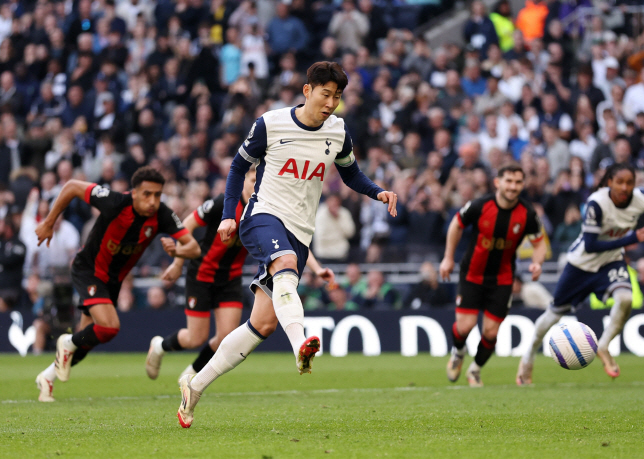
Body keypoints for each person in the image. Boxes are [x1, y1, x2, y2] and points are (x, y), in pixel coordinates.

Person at [176, 61, 398, 428]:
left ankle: (194, 387)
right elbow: (236, 168)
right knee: (284, 265)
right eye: (325, 94)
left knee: (262, 324)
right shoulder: (270, 123)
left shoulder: (338, 131)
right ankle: (301, 346)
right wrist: (230, 213)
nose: (331, 103)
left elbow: (351, 173)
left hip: (300, 230)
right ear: (308, 90)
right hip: (262, 215)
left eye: (338, 97)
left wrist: (378, 192)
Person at [145, 171, 335, 381]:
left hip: (230, 279)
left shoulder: (267, 209)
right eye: (253, 180)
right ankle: (159, 346)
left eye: (261, 180)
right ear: (243, 181)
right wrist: (177, 262)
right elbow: (188, 223)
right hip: (202, 274)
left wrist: (317, 269)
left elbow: (291, 244)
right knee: (195, 337)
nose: (257, 184)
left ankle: (191, 375)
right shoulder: (224, 204)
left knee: (226, 336)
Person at [34, 166, 201, 402]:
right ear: (134, 193)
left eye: (157, 195)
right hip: (89, 270)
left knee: (86, 340)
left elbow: (193, 247)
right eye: (147, 194)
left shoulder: (162, 215)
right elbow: (71, 186)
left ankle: (47, 377)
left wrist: (178, 251)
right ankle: (66, 341)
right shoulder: (114, 202)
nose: (152, 201)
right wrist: (50, 222)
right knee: (109, 327)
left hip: (113, 281)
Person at [517, 163, 644, 385]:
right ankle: (528, 357)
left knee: (625, 298)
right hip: (581, 265)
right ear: (609, 182)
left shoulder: (642, 199)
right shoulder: (596, 204)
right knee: (553, 314)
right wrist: (631, 239)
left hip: (610, 262)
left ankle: (604, 346)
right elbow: (590, 245)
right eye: (619, 182)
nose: (625, 187)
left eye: (629, 183)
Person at [440, 163, 546, 387]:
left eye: (518, 182)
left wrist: (537, 263)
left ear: (523, 185)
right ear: (498, 183)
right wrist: (448, 257)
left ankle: (475, 370)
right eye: (508, 181)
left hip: (502, 279)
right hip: (472, 274)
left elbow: (539, 243)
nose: (513, 186)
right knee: (464, 327)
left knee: (490, 332)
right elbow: (456, 225)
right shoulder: (480, 205)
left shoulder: (527, 214)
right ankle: (458, 352)